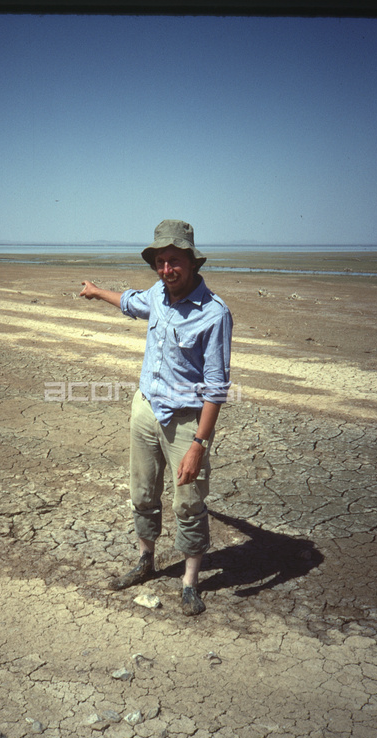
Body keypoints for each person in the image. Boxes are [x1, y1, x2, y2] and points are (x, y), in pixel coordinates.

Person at [80, 220, 233, 615]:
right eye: (160, 261)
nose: (167, 269)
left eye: (174, 261)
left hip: (186, 422)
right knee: (143, 493)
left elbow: (217, 388)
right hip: (146, 409)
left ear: (192, 262)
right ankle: (146, 561)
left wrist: (199, 445)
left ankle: (190, 583)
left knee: (189, 503)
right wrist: (97, 291)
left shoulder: (214, 314)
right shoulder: (157, 295)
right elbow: (130, 302)